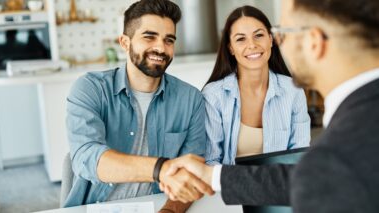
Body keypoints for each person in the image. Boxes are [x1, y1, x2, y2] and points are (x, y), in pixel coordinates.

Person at [162, 0, 379, 212]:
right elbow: (308, 176)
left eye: (283, 31)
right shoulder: (359, 120)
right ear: (230, 47)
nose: (279, 40)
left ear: (313, 42)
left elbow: (308, 173)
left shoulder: (338, 147)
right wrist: (211, 176)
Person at [64, 0, 213, 211]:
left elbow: (190, 175)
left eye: (168, 40)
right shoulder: (90, 88)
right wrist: (160, 169)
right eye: (149, 37)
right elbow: (87, 158)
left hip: (158, 206)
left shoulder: (191, 99)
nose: (161, 47)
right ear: (125, 42)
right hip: (97, 206)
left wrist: (169, 211)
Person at [203, 6, 310, 165]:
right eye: (241, 39)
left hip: (279, 185)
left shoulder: (293, 90)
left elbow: (299, 155)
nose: (252, 45)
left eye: (258, 35)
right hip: (230, 187)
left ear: (271, 39)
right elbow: (210, 161)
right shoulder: (213, 95)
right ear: (231, 48)